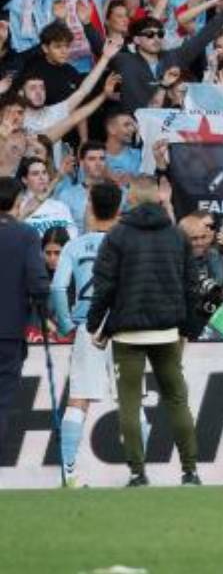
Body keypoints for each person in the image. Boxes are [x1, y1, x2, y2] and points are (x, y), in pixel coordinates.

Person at [86, 175, 200, 487]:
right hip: (167, 330)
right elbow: (192, 286)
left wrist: (95, 325)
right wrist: (188, 328)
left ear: (131, 199)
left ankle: (138, 473)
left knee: (130, 404)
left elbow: (104, 285)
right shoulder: (177, 236)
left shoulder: (117, 236)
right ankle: (190, 471)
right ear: (159, 199)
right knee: (177, 399)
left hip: (128, 332)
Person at [48, 182, 119, 486]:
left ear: (90, 206)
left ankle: (69, 474)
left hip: (88, 325)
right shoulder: (124, 243)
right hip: (123, 325)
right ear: (119, 210)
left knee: (78, 399)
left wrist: (65, 323)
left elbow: (57, 287)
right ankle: (139, 473)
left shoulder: (74, 246)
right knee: (133, 399)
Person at [0, 177, 50, 458]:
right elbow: (39, 283)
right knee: (2, 402)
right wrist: (41, 307)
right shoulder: (26, 235)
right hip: (8, 332)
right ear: (17, 204)